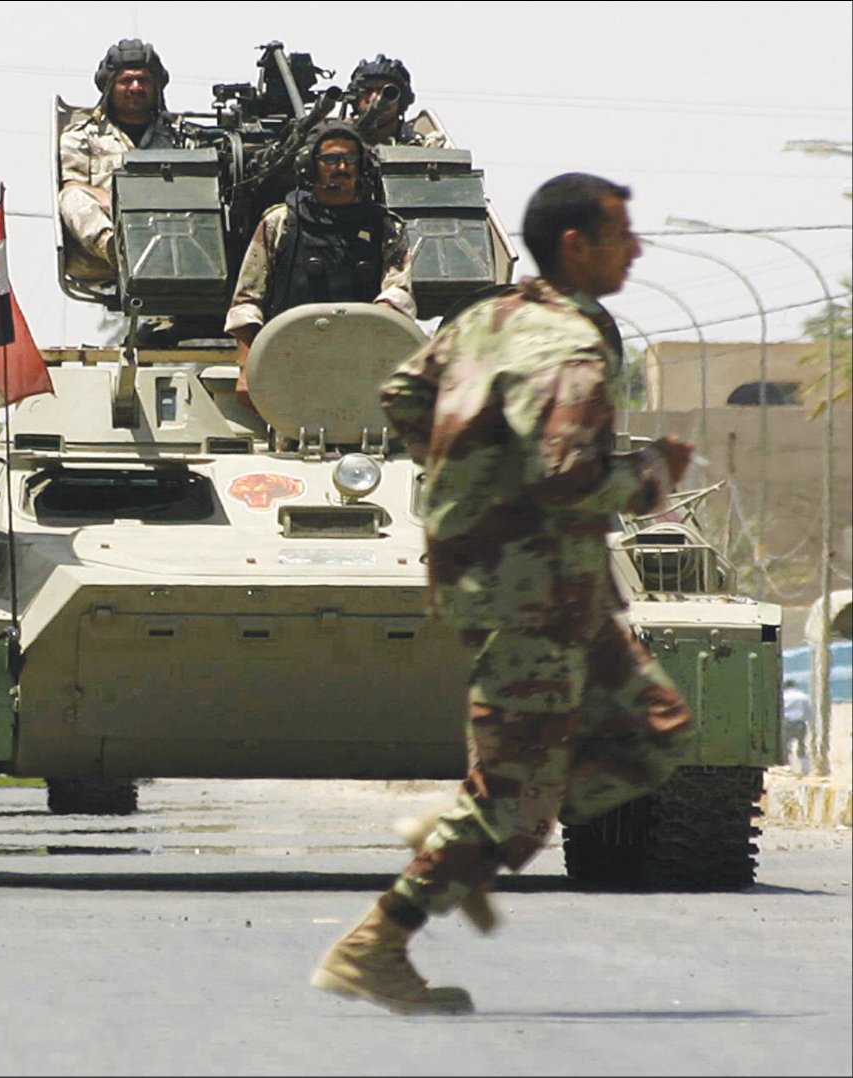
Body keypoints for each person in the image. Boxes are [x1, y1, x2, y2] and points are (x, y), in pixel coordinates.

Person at [312, 173, 696, 1015]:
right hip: (534, 595)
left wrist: (473, 479)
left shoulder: (484, 318)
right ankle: (379, 941)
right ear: (574, 246)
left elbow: (403, 395)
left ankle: (483, 832)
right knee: (517, 798)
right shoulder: (568, 347)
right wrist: (651, 474)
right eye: (621, 234)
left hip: (531, 583)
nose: (635, 250)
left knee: (655, 726)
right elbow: (564, 475)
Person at [224, 122, 414, 394]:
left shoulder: (386, 228)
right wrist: (246, 371)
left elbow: (398, 295)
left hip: (362, 364)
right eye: (331, 159)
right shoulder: (281, 222)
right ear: (309, 166)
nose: (342, 167)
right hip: (288, 360)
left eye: (351, 159)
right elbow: (247, 302)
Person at [57, 38, 184, 284]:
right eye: (126, 81)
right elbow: (71, 185)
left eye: (144, 80)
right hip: (100, 256)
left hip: (169, 241)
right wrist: (113, 200)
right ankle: (116, 248)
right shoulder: (82, 136)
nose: (135, 87)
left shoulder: (179, 137)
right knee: (71, 197)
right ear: (110, 86)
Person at [346, 55, 447, 148]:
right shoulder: (340, 139)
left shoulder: (423, 145)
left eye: (386, 92)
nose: (374, 97)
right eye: (367, 91)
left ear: (402, 100)